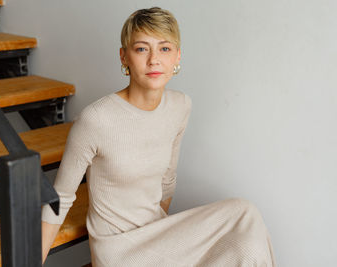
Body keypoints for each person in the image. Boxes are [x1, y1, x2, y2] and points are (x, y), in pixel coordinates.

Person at [41, 7, 276, 267]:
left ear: (177, 56)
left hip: (156, 233)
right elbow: (60, 198)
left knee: (244, 216)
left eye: (164, 49)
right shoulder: (96, 119)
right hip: (118, 249)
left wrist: (168, 241)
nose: (154, 60)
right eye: (142, 49)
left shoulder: (180, 106)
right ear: (124, 57)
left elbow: (167, 181)